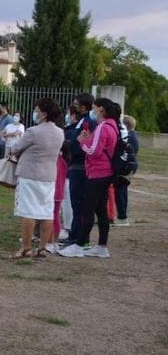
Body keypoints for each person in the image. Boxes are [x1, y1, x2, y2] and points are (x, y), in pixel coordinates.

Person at [60, 97, 120, 258]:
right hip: (106, 172)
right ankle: (101, 245)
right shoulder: (113, 126)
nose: (92, 111)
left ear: (101, 110)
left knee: (88, 209)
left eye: (94, 108)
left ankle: (80, 244)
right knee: (100, 210)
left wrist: (82, 142)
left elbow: (93, 150)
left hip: (98, 172)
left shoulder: (103, 126)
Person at [7, 98, 65, 259]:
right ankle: (42, 248)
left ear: (44, 114)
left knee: (28, 211)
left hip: (30, 175)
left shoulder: (33, 132)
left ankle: (26, 248)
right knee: (47, 212)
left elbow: (15, 148)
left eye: (37, 110)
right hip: (49, 176)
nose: (35, 113)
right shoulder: (60, 132)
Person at [61, 93, 96, 244]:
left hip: (80, 166)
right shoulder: (82, 121)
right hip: (75, 165)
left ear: (83, 106)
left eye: (76, 103)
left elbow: (82, 145)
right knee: (76, 203)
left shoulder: (88, 122)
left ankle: (79, 237)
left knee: (79, 203)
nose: (73, 105)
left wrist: (70, 145)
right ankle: (74, 235)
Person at [114, 115, 140, 227]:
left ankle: (122, 217)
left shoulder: (129, 137)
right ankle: (122, 216)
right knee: (122, 191)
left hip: (126, 167)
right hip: (129, 166)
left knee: (120, 192)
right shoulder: (132, 136)